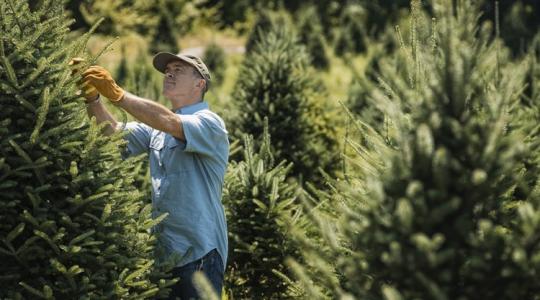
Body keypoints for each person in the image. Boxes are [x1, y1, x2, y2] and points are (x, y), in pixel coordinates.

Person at [72, 53, 229, 299]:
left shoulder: (209, 123)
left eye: (178, 69)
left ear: (200, 84)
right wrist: (93, 99)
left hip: (200, 252)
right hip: (163, 256)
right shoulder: (155, 128)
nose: (169, 73)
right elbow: (113, 135)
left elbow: (171, 122)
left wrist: (118, 94)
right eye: (167, 70)